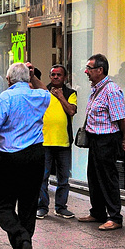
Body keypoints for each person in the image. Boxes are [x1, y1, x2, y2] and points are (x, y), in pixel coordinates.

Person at [0, 63, 50, 249]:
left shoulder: (5, 98)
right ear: (28, 78)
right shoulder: (40, 96)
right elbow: (45, 90)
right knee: (28, 205)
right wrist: (33, 77)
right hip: (35, 156)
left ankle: (21, 238)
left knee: (2, 205)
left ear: (8, 80)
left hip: (11, 158)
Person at [78, 54, 125, 231]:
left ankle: (115, 217)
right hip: (95, 139)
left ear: (100, 70)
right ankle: (97, 212)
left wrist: (123, 139)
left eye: (89, 68)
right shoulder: (96, 89)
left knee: (108, 179)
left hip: (107, 140)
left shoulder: (112, 90)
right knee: (93, 177)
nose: (86, 71)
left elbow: (122, 120)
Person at [37, 64, 77, 220]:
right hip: (44, 141)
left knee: (63, 179)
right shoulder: (43, 92)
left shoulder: (70, 93)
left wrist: (60, 96)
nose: (55, 77)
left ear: (65, 77)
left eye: (59, 75)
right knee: (42, 177)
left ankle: (61, 207)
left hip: (63, 142)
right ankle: (42, 207)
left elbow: (71, 111)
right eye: (53, 74)